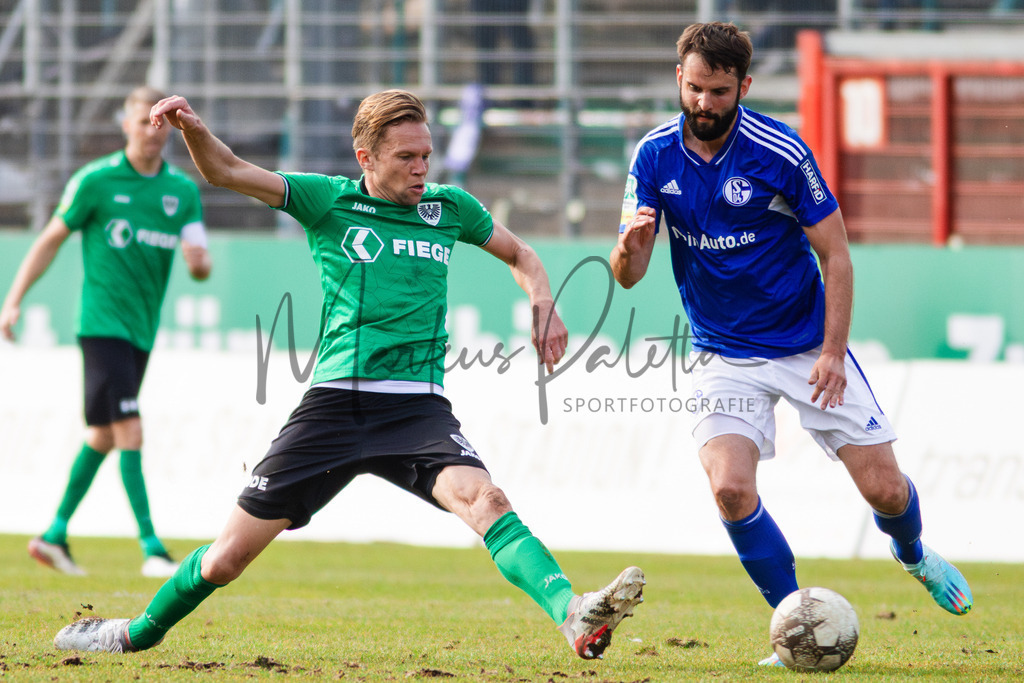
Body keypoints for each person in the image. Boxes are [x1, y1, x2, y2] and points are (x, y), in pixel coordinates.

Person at [52, 89, 644, 659]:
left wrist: (542, 301)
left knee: (485, 499)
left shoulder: (450, 208)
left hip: (418, 407)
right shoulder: (327, 200)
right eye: (406, 158)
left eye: (426, 156)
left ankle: (573, 613)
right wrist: (196, 131)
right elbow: (227, 171)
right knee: (226, 559)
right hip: (334, 406)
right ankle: (134, 634)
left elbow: (521, 256)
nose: (421, 170)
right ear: (366, 158)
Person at [610, 22, 971, 666]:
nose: (704, 104)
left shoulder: (779, 150)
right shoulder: (652, 156)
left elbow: (835, 253)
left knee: (886, 491)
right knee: (729, 490)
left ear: (743, 86)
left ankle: (913, 552)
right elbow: (628, 274)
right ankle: (797, 621)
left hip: (806, 344)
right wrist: (628, 251)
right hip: (722, 353)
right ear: (679, 81)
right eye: (695, 88)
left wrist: (833, 351)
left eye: (719, 91)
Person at [1, 85, 213, 579]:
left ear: (172, 128)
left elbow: (199, 262)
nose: (150, 132)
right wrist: (13, 301)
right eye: (142, 122)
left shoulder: (181, 191)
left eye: (160, 123)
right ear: (125, 124)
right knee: (130, 429)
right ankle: (152, 547)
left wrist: (199, 263)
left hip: (141, 332)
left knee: (101, 435)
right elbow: (50, 239)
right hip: (101, 326)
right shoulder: (96, 181)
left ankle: (53, 534)